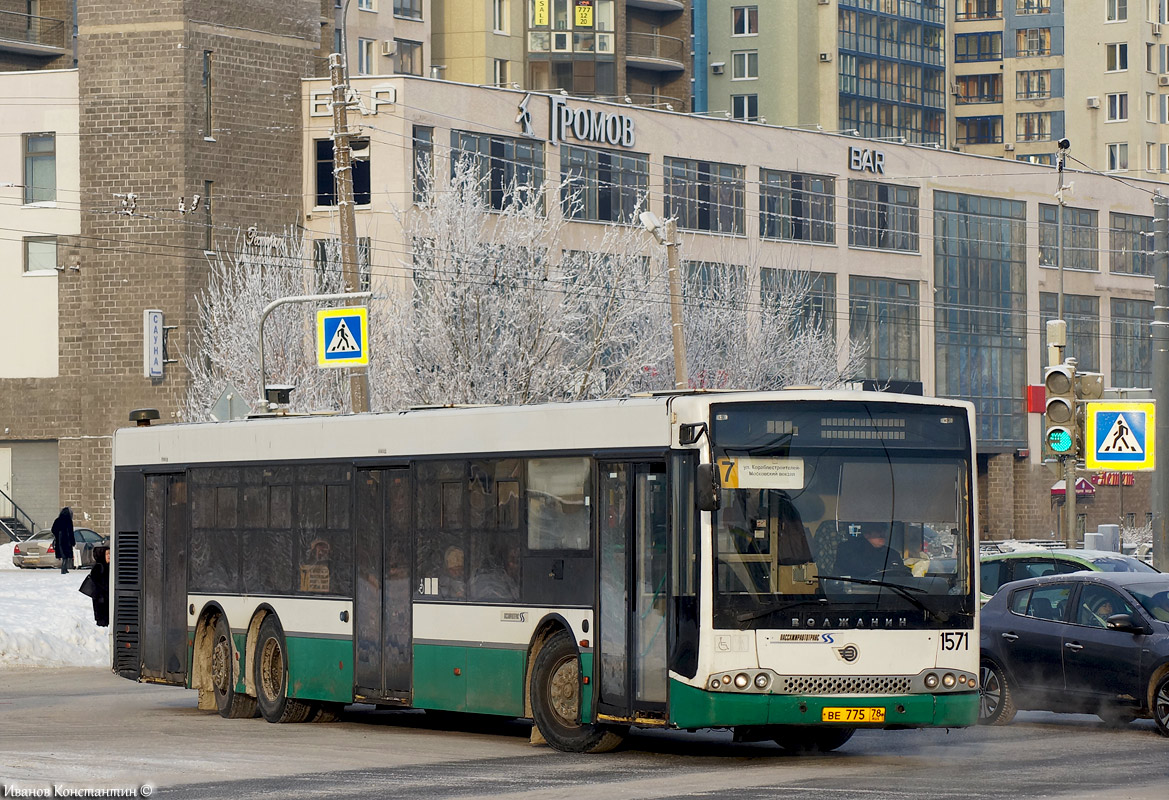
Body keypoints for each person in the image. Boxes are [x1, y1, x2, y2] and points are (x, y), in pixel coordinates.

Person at [834, 523, 906, 579]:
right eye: (878, 531)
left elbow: (903, 577)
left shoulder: (892, 554)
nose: (883, 534)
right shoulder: (848, 551)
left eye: (884, 530)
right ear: (866, 533)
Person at [83, 545, 111, 627]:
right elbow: (97, 583)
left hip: (105, 599)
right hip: (101, 600)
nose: (109, 556)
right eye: (107, 554)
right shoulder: (99, 567)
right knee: (102, 621)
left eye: (110, 554)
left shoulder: (108, 566)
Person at [51, 507, 76, 574]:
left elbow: (53, 529)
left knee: (63, 554)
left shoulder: (57, 520)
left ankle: (64, 568)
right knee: (66, 555)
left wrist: (57, 534)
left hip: (59, 539)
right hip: (66, 540)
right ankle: (64, 568)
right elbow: (71, 532)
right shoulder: (68, 521)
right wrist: (72, 541)